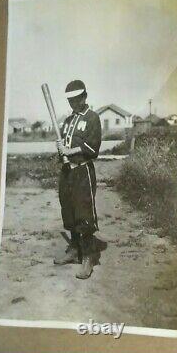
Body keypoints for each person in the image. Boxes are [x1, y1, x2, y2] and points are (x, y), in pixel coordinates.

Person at [54, 80, 102, 279]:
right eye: (70, 100)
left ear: (84, 97)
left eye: (76, 99)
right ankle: (74, 250)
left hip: (83, 171)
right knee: (69, 210)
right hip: (67, 172)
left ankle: (89, 258)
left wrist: (70, 150)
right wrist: (60, 148)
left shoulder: (92, 118)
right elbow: (64, 146)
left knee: (83, 213)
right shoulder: (67, 120)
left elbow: (93, 148)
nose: (73, 103)